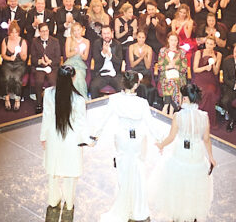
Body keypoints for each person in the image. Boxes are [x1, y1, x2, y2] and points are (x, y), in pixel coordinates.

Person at [95, 71, 155, 222]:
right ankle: (137, 207)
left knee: (122, 170)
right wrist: (163, 140)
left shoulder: (114, 99)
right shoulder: (142, 103)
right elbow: (151, 125)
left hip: (121, 138)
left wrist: (94, 136)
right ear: (136, 85)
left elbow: (103, 119)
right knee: (138, 170)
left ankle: (124, 201)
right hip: (137, 141)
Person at [151, 83, 215, 222]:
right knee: (194, 186)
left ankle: (178, 215)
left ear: (185, 98)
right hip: (197, 154)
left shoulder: (178, 116)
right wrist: (211, 157)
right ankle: (191, 216)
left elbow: (171, 137)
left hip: (181, 153)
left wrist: (161, 145)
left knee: (179, 185)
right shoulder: (204, 116)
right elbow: (206, 139)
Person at [41, 65, 90, 222]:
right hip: (72, 140)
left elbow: (46, 117)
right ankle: (69, 203)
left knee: (54, 172)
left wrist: (43, 136)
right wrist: (88, 141)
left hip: (54, 138)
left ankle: (53, 199)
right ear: (73, 78)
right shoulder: (79, 100)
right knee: (70, 173)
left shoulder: (48, 94)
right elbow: (82, 125)